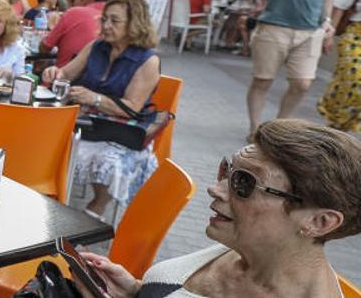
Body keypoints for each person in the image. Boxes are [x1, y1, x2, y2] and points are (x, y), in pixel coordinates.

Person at [80, 119, 361, 298]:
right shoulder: (246, 247)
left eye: (243, 182)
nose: (216, 188)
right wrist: (136, 291)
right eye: (227, 170)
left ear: (320, 222)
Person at [42, 0, 161, 217]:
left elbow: (132, 107)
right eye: (104, 19)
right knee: (47, 143)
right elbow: (67, 73)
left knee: (109, 160)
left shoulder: (147, 60)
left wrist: (94, 99)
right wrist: (55, 73)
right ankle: (52, 201)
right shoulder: (97, 46)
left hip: (122, 131)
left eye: (114, 21)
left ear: (135, 24)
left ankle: (96, 208)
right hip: (87, 124)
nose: (106, 26)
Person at [246, 0, 343, 142]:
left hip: (310, 31)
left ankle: (277, 131)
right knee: (263, 80)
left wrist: (327, 21)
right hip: (274, 27)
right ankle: (255, 128)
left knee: (302, 84)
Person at [319, 0, 361, 132]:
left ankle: (339, 130)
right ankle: (335, 125)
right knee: (355, 80)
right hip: (356, 35)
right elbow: (340, 3)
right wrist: (330, 34)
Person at [43, 0, 116, 67]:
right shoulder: (120, 19)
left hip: (65, 75)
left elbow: (45, 47)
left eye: (72, 0)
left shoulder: (74, 13)